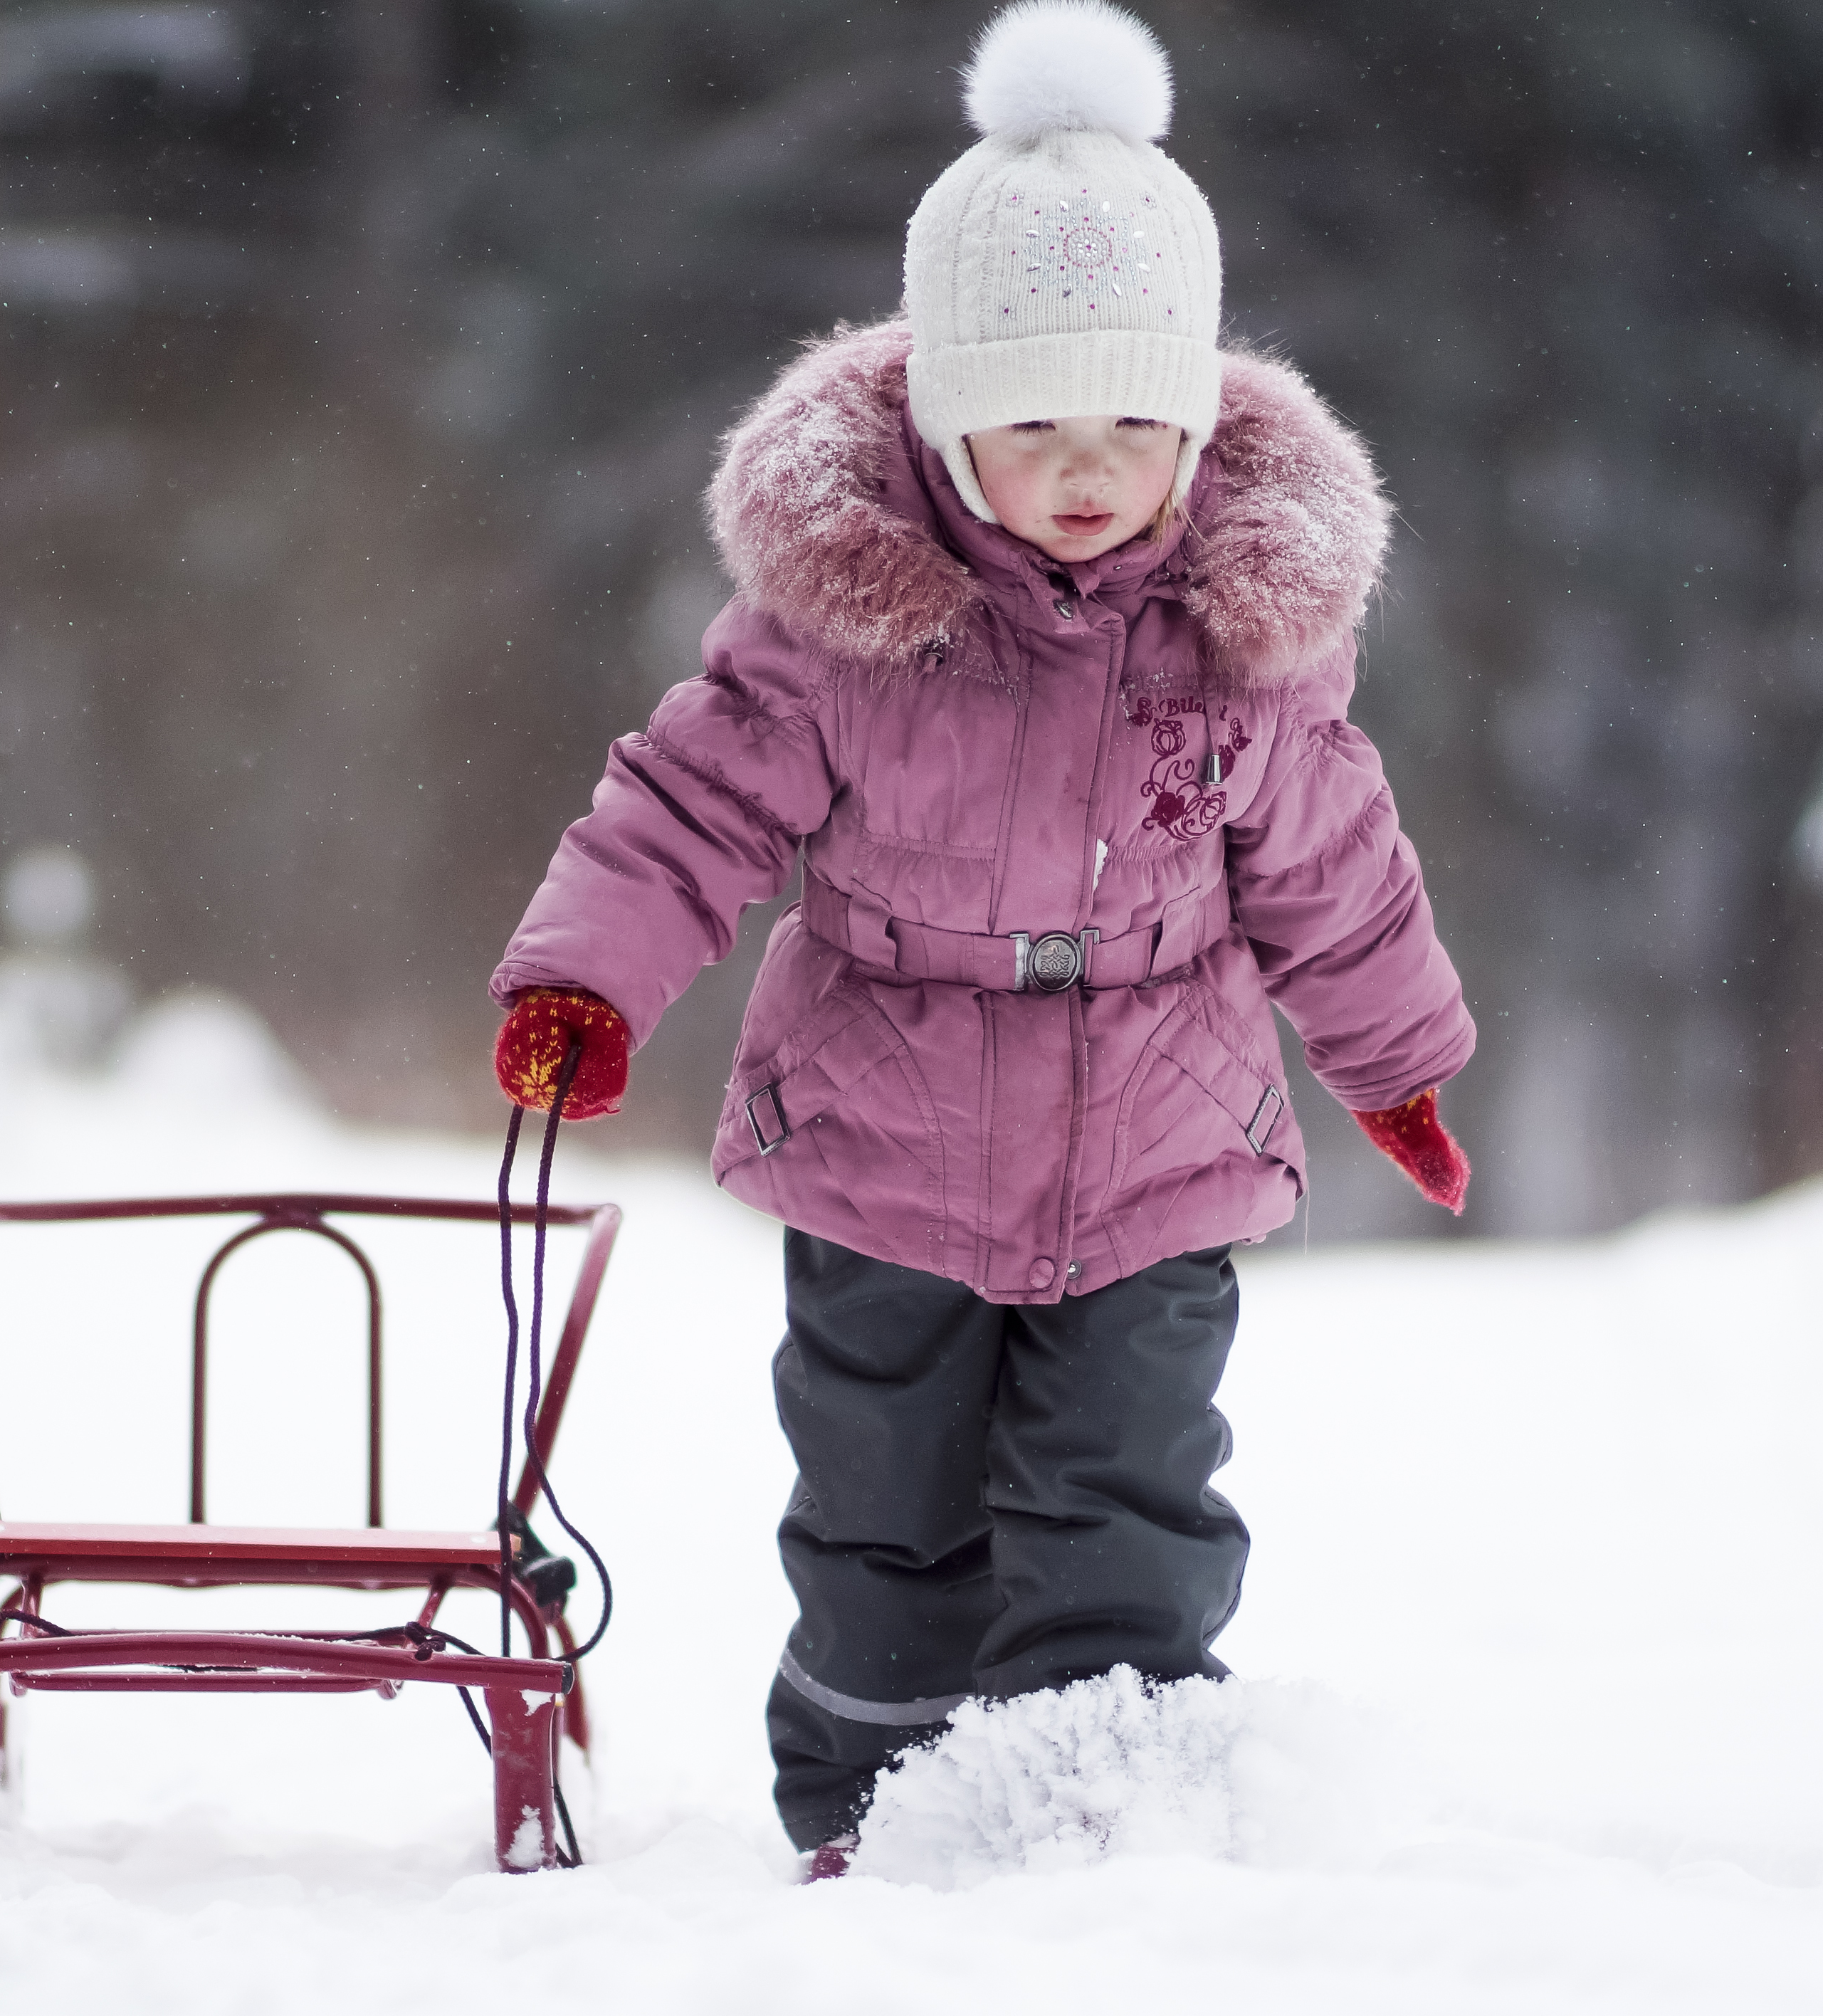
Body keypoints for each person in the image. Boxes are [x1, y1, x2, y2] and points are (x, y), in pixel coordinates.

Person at [485, 0, 1475, 1877]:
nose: (1087, 465)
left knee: (1131, 1503)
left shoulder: (1241, 639)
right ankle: (865, 1814)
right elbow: (690, 803)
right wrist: (581, 979)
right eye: (1033, 422)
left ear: (1195, 417)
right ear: (944, 423)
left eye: (1132, 421)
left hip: (1163, 1133)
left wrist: (1397, 1061)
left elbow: (1336, 868)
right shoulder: (848, 624)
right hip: (885, 1134)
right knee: (886, 1516)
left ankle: (1105, 1825)